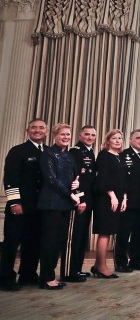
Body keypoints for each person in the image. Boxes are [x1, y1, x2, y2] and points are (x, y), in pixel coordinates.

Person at [0, 118, 46, 291]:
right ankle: (5, 277)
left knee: (33, 242)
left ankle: (28, 274)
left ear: (46, 132)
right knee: (12, 243)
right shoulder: (18, 151)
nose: (38, 130)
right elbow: (10, 179)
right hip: (20, 205)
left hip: (39, 207)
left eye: (41, 128)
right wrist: (14, 202)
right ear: (28, 131)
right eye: (34, 127)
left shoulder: (48, 151)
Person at [38, 123, 80, 290]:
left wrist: (76, 184)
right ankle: (46, 278)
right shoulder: (47, 154)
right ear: (54, 135)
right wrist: (70, 194)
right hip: (50, 203)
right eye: (62, 134)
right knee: (49, 241)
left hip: (65, 205)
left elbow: (75, 177)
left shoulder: (69, 156)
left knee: (59, 241)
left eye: (68, 135)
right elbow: (52, 180)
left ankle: (51, 275)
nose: (66, 137)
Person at [61, 125, 96, 283]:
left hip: (87, 201)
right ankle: (69, 271)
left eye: (93, 135)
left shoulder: (89, 151)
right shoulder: (75, 151)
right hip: (78, 201)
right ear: (80, 135)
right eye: (87, 134)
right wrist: (79, 199)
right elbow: (73, 179)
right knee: (73, 238)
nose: (90, 137)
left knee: (82, 237)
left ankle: (77, 268)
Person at [92, 129, 128, 279]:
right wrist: (112, 196)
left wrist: (124, 198)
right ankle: (102, 267)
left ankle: (96, 265)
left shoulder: (120, 157)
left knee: (110, 231)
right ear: (108, 140)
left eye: (120, 138)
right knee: (105, 232)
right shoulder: (103, 155)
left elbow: (124, 180)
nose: (118, 140)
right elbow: (103, 179)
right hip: (106, 199)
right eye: (114, 138)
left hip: (118, 199)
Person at [115, 129, 140, 273]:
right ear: (130, 140)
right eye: (138, 138)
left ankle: (136, 261)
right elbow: (121, 180)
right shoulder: (123, 155)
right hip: (128, 201)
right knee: (124, 233)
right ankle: (121, 262)